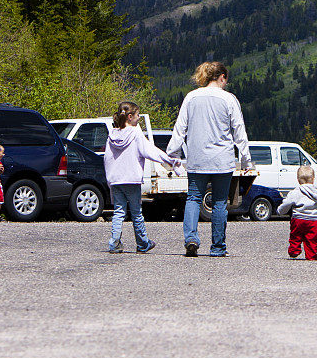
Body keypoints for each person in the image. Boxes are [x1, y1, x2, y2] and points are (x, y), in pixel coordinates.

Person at [167, 61, 252, 257]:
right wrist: (246, 160)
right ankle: (218, 247)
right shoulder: (229, 99)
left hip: (197, 159)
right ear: (222, 77)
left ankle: (191, 239)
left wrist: (173, 154)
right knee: (220, 202)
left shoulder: (191, 97)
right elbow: (239, 132)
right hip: (222, 160)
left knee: (194, 198)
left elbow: (180, 129)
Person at [104, 101, 181, 254]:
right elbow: (150, 151)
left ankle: (114, 243)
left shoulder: (111, 135)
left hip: (116, 179)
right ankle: (142, 242)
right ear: (130, 117)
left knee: (119, 211)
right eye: (138, 115)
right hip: (131, 179)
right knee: (136, 212)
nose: (139, 118)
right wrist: (169, 160)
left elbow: (107, 159)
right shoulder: (135, 134)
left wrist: (110, 178)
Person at [277, 165, 317, 260]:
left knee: (295, 235)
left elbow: (287, 203)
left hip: (298, 218)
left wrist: (280, 211)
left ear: (298, 180)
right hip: (313, 220)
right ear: (313, 179)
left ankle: (294, 250)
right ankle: (311, 255)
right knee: (312, 239)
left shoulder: (295, 192)